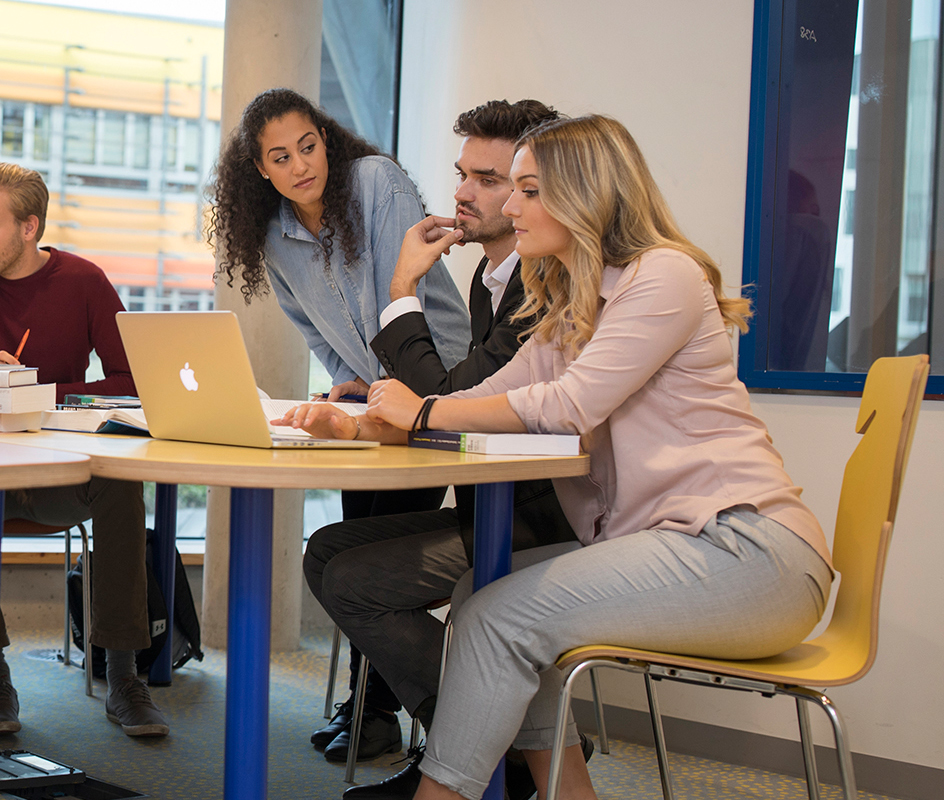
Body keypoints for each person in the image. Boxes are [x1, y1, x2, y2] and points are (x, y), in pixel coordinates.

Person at [351, 115, 831, 800]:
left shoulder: (664, 275)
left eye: (528, 189)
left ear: (586, 195)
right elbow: (487, 399)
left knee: (497, 616)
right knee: (480, 595)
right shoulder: (575, 308)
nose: (511, 207)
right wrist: (375, 424)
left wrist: (420, 413)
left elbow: (569, 405)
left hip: (750, 552)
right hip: (685, 546)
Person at [279, 100, 578, 798]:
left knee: (354, 578)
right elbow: (451, 407)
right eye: (462, 174)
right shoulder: (490, 280)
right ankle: (477, 744)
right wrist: (359, 420)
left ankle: (469, 751)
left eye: (491, 180)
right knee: (326, 551)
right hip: (493, 504)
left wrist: (401, 287)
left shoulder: (548, 289)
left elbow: (443, 401)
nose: (464, 193)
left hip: (541, 519)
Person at [206, 87, 473, 761]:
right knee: (351, 545)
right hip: (373, 400)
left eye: (308, 146)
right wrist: (346, 377)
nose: (300, 165)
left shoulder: (375, 184)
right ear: (260, 170)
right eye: (280, 157)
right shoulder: (273, 236)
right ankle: (370, 704)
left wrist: (387, 383)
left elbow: (401, 293)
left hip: (436, 389)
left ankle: (377, 708)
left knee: (369, 559)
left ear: (325, 140)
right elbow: (309, 322)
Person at [0, 162, 167, 738]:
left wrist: (43, 392)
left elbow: (132, 377)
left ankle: (125, 674)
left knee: (122, 477)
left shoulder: (83, 281)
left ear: (29, 228)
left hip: (59, 474)